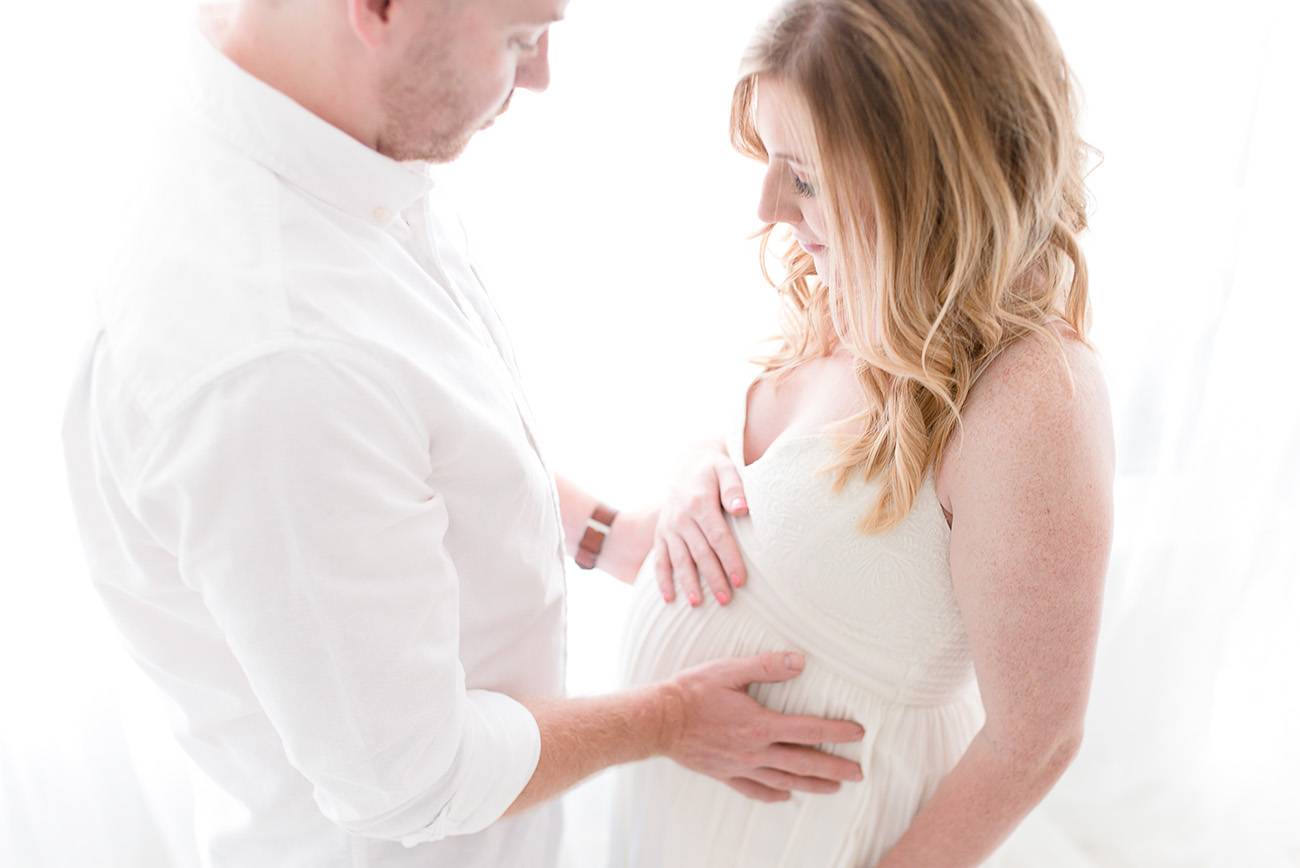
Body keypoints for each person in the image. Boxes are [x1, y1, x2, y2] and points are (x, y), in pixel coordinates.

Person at [57, 2, 867, 866]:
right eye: (520, 39)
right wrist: (668, 719)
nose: (541, 74)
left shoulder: (323, 132)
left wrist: (607, 534)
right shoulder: (273, 358)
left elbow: (405, 438)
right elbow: (417, 780)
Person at [609, 0, 1115, 865]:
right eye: (770, 160)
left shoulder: (1031, 394)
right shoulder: (859, 286)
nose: (769, 206)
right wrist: (700, 468)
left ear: (931, 181)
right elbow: (805, 506)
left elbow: (1036, 739)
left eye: (802, 177)